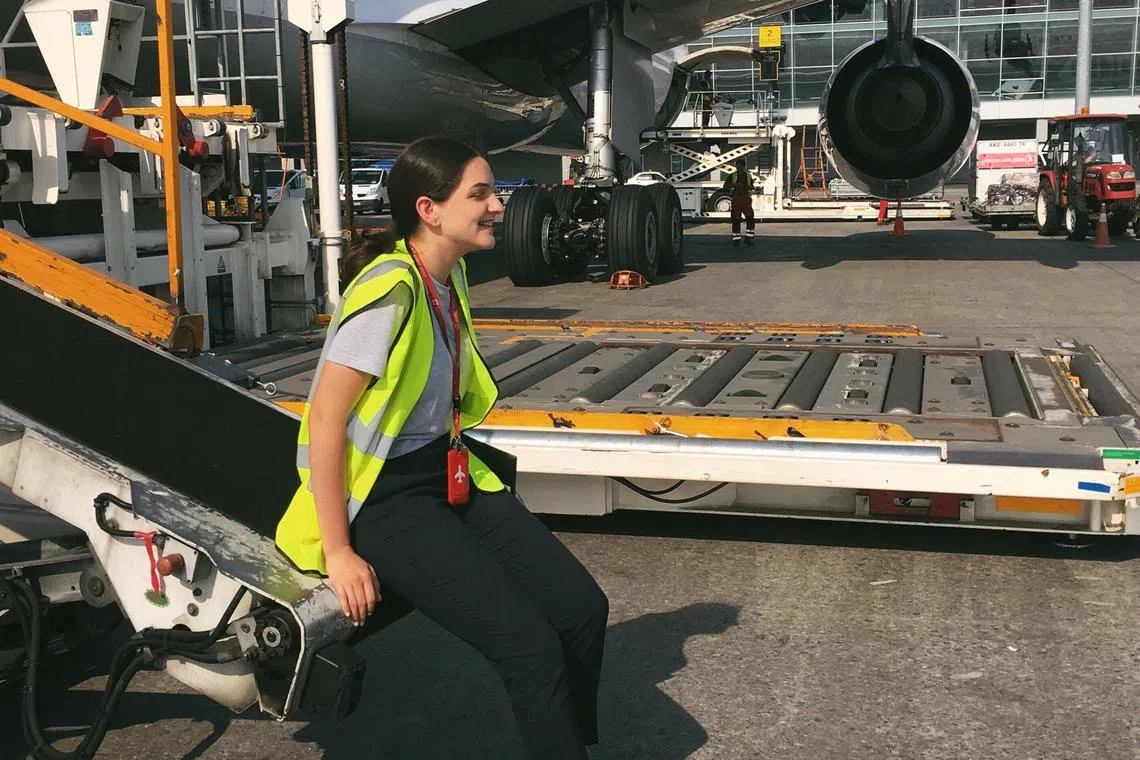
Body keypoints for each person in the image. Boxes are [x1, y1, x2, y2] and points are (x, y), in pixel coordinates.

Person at [274, 136, 609, 759]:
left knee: (582, 609)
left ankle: (564, 743)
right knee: (529, 645)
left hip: (446, 474)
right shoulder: (391, 291)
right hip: (386, 499)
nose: (498, 206)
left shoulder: (446, 276)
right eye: (479, 194)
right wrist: (340, 551)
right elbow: (325, 419)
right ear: (429, 209)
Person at [723, 158, 755, 246]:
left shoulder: (748, 176)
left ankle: (748, 238)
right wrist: (735, 185)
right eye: (737, 167)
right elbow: (725, 185)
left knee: (750, 218)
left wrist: (748, 187)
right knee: (736, 220)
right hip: (737, 199)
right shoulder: (733, 175)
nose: (738, 169)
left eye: (740, 167)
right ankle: (736, 240)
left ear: (743, 167)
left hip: (746, 199)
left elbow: (752, 187)